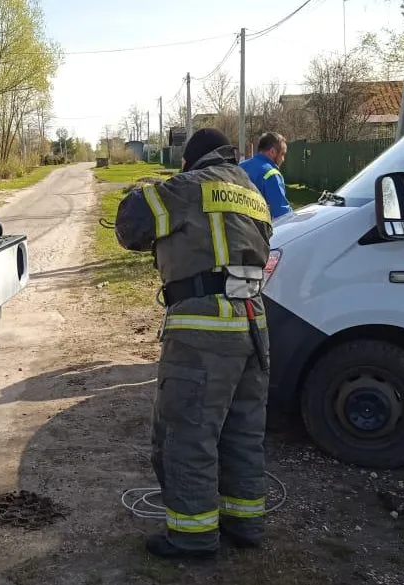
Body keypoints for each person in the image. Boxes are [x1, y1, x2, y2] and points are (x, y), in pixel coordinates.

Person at [114, 128, 273, 560]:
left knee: (186, 433)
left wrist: (145, 189)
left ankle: (193, 535)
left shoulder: (186, 188)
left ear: (189, 162)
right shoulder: (252, 193)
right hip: (254, 324)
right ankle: (245, 522)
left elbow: (130, 227)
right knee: (242, 432)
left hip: (204, 328)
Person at [239, 132, 291, 219]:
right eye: (282, 154)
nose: (283, 159)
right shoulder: (272, 175)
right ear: (272, 152)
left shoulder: (239, 167)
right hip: (259, 229)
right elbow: (282, 214)